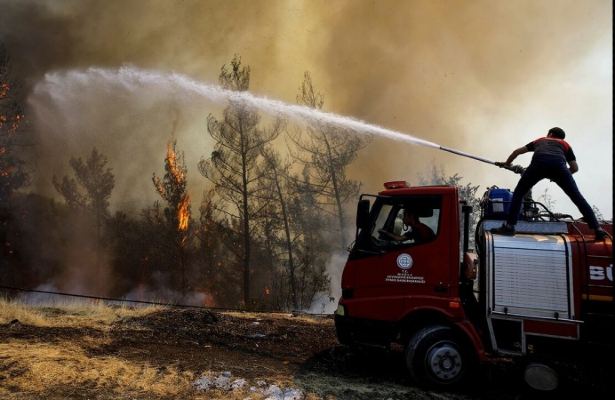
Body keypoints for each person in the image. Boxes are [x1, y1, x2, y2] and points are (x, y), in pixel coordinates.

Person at [492, 127, 608, 241]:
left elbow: (517, 152)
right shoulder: (565, 144)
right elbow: (575, 168)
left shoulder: (540, 140)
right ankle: (598, 230)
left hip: (538, 166)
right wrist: (559, 176)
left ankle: (509, 227)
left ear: (550, 134)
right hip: (560, 169)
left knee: (519, 194)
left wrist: (507, 163)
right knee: (577, 197)